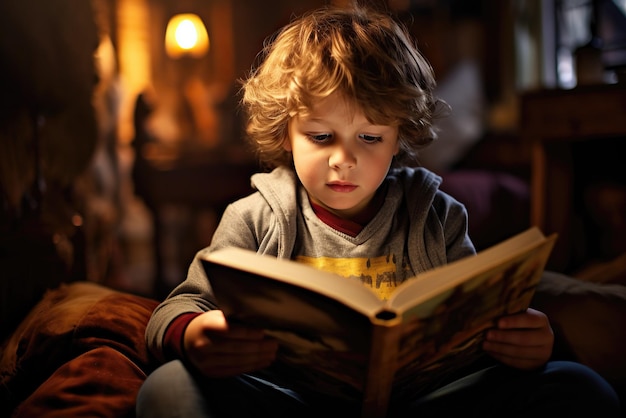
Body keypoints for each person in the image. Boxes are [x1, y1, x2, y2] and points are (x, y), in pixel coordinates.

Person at [137, 5, 620, 417]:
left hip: (422, 403)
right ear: (286, 132)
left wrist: (529, 341)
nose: (343, 159)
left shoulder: (438, 216)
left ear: (399, 138)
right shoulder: (253, 217)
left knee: (579, 386)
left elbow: (475, 327)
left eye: (370, 138)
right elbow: (172, 311)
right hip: (287, 402)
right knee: (167, 390)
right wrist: (197, 333)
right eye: (321, 136)